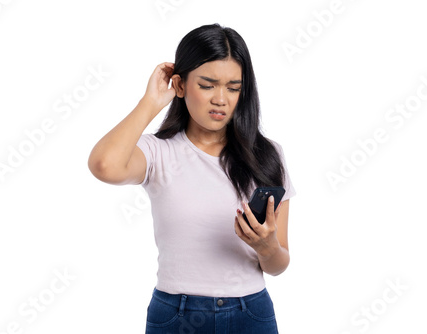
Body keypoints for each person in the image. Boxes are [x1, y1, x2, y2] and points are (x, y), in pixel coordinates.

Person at [88, 23, 296, 334]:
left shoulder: (268, 155)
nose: (221, 99)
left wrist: (267, 249)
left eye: (233, 87)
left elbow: (279, 264)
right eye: (208, 85)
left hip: (250, 312)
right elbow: (104, 165)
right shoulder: (158, 152)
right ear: (181, 86)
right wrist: (151, 102)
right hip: (176, 314)